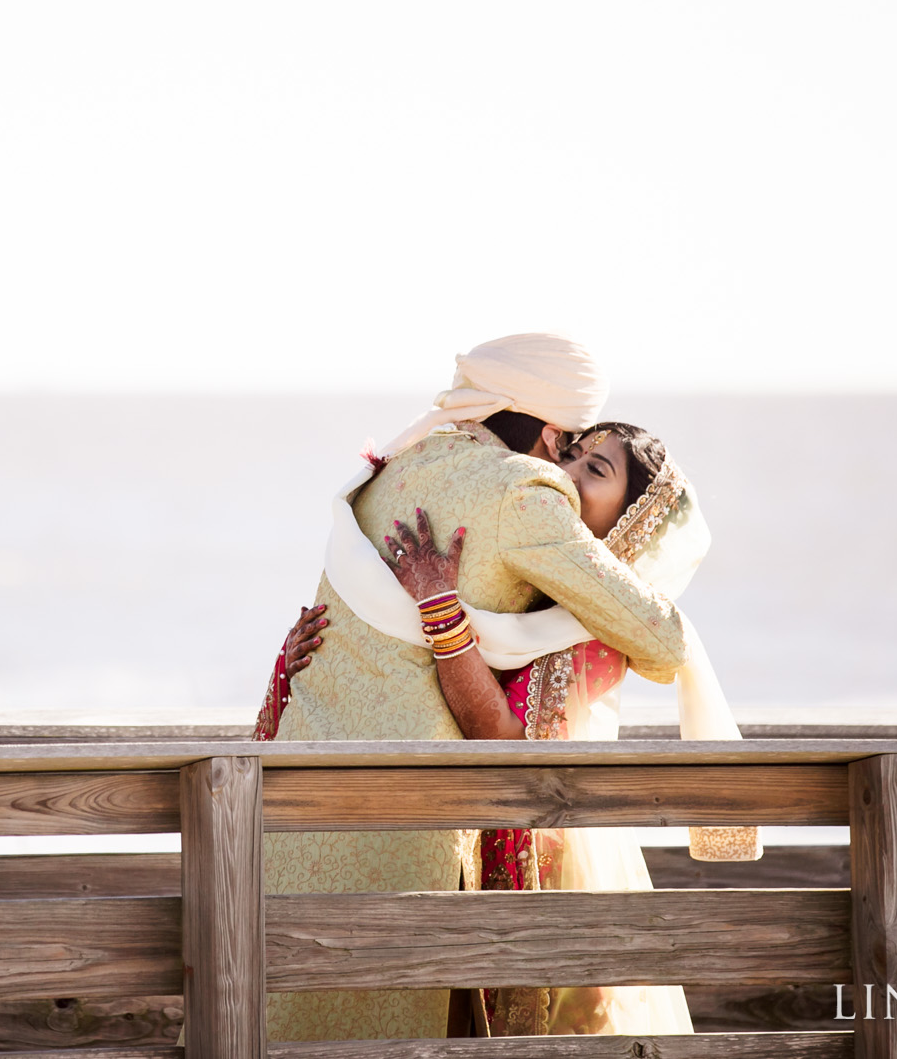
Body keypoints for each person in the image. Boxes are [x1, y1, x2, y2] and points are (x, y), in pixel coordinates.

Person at [260, 334, 695, 1042]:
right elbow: (664, 643)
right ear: (550, 428)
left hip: (288, 815)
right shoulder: (523, 495)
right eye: (569, 445)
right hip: (399, 838)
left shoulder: (405, 460)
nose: (565, 462)